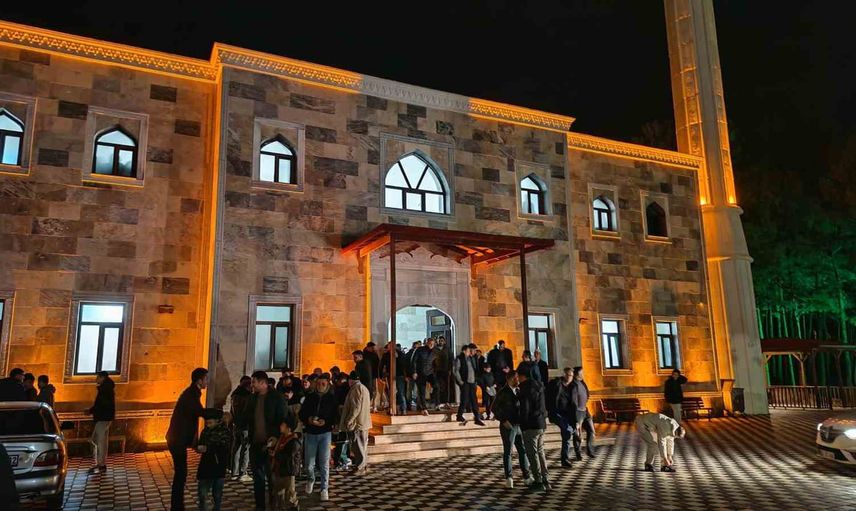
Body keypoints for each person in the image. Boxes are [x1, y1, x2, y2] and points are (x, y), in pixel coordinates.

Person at [247, 370, 296, 511]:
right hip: (255, 443)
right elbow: (247, 416)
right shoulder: (253, 398)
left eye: (254, 382)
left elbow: (283, 419)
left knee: (272, 478)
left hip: (271, 444)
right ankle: (260, 506)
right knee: (258, 478)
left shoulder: (277, 397)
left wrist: (277, 440)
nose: (252, 385)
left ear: (263, 383)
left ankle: (274, 506)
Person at [166, 367, 208, 511]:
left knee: (181, 474)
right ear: (199, 381)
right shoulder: (191, 395)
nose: (207, 382)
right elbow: (200, 412)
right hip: (177, 440)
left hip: (177, 439)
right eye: (206, 379)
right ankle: (177, 507)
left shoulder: (192, 393)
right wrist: (220, 414)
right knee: (180, 475)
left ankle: (177, 506)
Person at [299, 373, 338, 502]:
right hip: (311, 433)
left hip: (325, 433)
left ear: (327, 385)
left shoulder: (331, 399)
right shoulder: (310, 397)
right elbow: (302, 413)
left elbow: (334, 415)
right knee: (309, 463)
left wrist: (326, 422)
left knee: (324, 462)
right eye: (319, 384)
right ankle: (311, 478)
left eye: (323, 384)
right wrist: (309, 419)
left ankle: (324, 488)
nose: (320, 386)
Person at [491, 369, 532, 489]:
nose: (518, 380)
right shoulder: (503, 392)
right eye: (515, 378)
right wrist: (503, 420)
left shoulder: (519, 391)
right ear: (509, 379)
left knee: (522, 450)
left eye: (518, 378)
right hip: (508, 426)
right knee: (508, 452)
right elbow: (494, 408)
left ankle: (526, 476)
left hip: (519, 425)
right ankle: (509, 477)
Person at [517, 363, 549, 492]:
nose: (518, 379)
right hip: (541, 423)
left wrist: (523, 424)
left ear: (523, 376)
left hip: (531, 424)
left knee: (532, 454)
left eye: (519, 376)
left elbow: (525, 408)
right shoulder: (539, 385)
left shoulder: (525, 388)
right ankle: (545, 479)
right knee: (540, 452)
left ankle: (538, 481)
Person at [196, 408, 230, 511]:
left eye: (210, 423)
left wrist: (208, 448)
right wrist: (199, 448)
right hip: (206, 465)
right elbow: (200, 443)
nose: (208, 425)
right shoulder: (205, 431)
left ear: (217, 421)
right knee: (202, 492)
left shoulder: (224, 432)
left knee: (217, 493)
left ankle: (216, 508)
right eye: (207, 423)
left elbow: (224, 448)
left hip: (218, 465)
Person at [338, 370, 371, 475]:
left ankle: (360, 467)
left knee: (359, 446)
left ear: (350, 380)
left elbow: (356, 407)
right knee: (362, 445)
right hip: (363, 422)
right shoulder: (364, 388)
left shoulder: (356, 389)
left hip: (358, 423)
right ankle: (363, 466)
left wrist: (349, 420)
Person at [85, 370, 115, 475]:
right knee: (101, 441)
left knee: (100, 442)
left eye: (98, 377)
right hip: (105, 417)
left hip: (103, 418)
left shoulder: (105, 390)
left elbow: (101, 405)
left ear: (102, 378)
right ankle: (101, 463)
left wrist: (91, 411)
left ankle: (101, 464)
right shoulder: (107, 388)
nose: (96, 379)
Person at [270, 420, 301, 511]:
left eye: (283, 425)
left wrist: (275, 455)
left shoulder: (293, 441)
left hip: (288, 471)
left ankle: (294, 508)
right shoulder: (282, 438)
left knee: (290, 495)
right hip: (279, 469)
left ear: (289, 428)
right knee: (279, 494)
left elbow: (288, 457)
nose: (280, 426)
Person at [548, 367, 575, 467]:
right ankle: (565, 458)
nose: (569, 377)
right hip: (557, 413)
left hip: (567, 414)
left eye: (571, 376)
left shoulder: (572, 386)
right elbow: (549, 397)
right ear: (564, 375)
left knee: (566, 436)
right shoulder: (556, 384)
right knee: (568, 430)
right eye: (568, 375)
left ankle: (565, 459)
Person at [453, 344, 484, 426]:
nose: (470, 352)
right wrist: (460, 381)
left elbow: (474, 369)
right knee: (464, 399)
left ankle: (477, 417)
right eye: (468, 351)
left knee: (474, 400)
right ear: (464, 351)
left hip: (472, 382)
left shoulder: (471, 358)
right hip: (465, 382)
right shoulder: (459, 358)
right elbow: (456, 371)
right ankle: (459, 415)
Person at [569, 366, 596, 460]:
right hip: (578, 411)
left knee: (591, 430)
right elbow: (573, 400)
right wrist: (575, 415)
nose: (583, 374)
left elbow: (587, 394)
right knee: (577, 434)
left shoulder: (582, 382)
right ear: (578, 374)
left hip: (585, 410)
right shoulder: (573, 384)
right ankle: (578, 453)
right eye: (582, 373)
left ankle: (590, 450)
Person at [230, 376, 253, 482]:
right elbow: (248, 412)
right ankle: (243, 472)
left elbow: (232, 411)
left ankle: (234, 472)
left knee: (236, 448)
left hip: (236, 424)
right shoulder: (247, 396)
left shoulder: (234, 395)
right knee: (245, 449)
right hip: (245, 426)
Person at [413, 337, 439, 415]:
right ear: (427, 343)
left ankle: (435, 402)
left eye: (433, 344)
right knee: (422, 391)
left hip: (430, 372)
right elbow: (414, 361)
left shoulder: (435, 351)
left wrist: (436, 370)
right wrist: (414, 372)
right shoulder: (420, 350)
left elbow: (436, 362)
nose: (431, 345)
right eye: (430, 343)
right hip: (420, 372)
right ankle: (423, 408)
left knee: (436, 386)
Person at [380, 342, 407, 415]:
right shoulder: (386, 355)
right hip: (390, 375)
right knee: (391, 392)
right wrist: (381, 375)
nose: (390, 348)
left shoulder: (400, 354)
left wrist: (397, 358)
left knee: (400, 392)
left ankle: (403, 408)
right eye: (389, 346)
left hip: (399, 375)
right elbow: (382, 365)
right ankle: (392, 408)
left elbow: (404, 364)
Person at [362, 342, 380, 411]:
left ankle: (374, 404)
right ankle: (368, 404)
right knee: (368, 390)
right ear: (368, 347)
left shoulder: (374, 354)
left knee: (374, 390)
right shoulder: (364, 355)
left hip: (373, 375)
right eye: (372, 348)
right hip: (367, 375)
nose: (373, 349)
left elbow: (378, 364)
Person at [404, 340, 422, 411]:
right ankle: (412, 404)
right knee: (412, 390)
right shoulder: (409, 354)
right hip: (411, 375)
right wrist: (406, 375)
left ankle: (416, 404)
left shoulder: (410, 354)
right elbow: (405, 365)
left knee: (415, 390)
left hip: (416, 375)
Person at [435, 336, 451, 408]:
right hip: (437, 371)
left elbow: (451, 359)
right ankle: (437, 402)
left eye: (442, 340)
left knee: (446, 386)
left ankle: (446, 401)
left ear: (444, 341)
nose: (440, 342)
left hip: (446, 370)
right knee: (437, 386)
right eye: (439, 340)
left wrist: (450, 369)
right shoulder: (434, 349)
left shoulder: (447, 349)